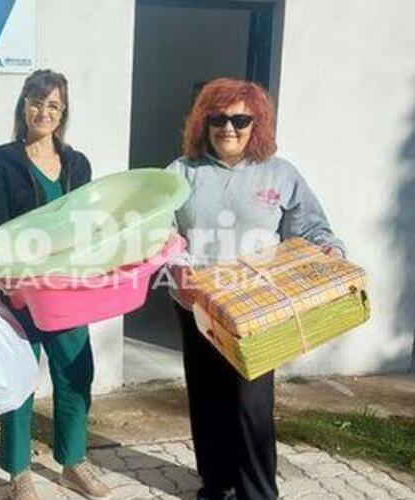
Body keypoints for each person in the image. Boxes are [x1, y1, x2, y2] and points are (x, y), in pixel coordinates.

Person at [166, 78, 345, 500]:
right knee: (207, 397)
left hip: (259, 309)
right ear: (203, 122)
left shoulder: (281, 173)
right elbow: (162, 231)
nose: (228, 128)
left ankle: (258, 493)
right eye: (218, 119)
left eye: (240, 120)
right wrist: (177, 267)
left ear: (257, 124)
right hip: (199, 304)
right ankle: (216, 484)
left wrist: (330, 251)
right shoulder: (181, 172)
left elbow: (311, 227)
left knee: (251, 404)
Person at [0, 69, 113, 500]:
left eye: (53, 105)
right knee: (19, 377)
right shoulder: (4, 161)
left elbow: (88, 222)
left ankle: (73, 462)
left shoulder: (77, 164)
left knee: (75, 372)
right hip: (20, 290)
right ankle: (19, 471)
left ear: (63, 112)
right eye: (36, 102)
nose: (44, 111)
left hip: (67, 290)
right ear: (24, 106)